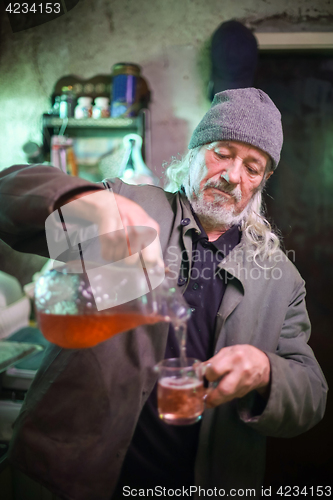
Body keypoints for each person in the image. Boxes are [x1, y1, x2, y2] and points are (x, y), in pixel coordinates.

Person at [0, 88, 327, 500]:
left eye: (252, 167)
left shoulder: (282, 279)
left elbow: (313, 393)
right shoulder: (126, 205)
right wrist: (79, 203)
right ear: (195, 151)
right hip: (74, 478)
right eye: (222, 153)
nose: (232, 176)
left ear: (263, 180)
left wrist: (265, 371)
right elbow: (6, 197)